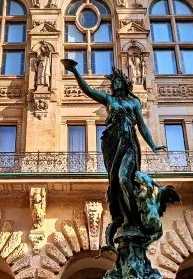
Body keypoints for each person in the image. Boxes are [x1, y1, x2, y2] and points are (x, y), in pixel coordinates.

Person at [62, 58, 165, 250]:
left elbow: (142, 126)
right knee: (116, 183)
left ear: (125, 84)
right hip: (112, 142)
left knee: (124, 179)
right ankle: (126, 218)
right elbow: (88, 91)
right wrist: (75, 72)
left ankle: (134, 213)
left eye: (119, 82)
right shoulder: (110, 100)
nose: (116, 84)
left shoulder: (133, 102)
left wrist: (153, 145)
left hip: (128, 142)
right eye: (114, 82)